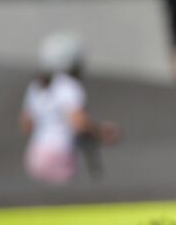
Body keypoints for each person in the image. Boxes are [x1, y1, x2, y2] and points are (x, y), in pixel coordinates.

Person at [21, 33, 119, 185]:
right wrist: (100, 132)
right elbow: (79, 123)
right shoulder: (69, 86)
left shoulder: (36, 86)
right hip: (60, 153)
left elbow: (26, 125)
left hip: (36, 153)